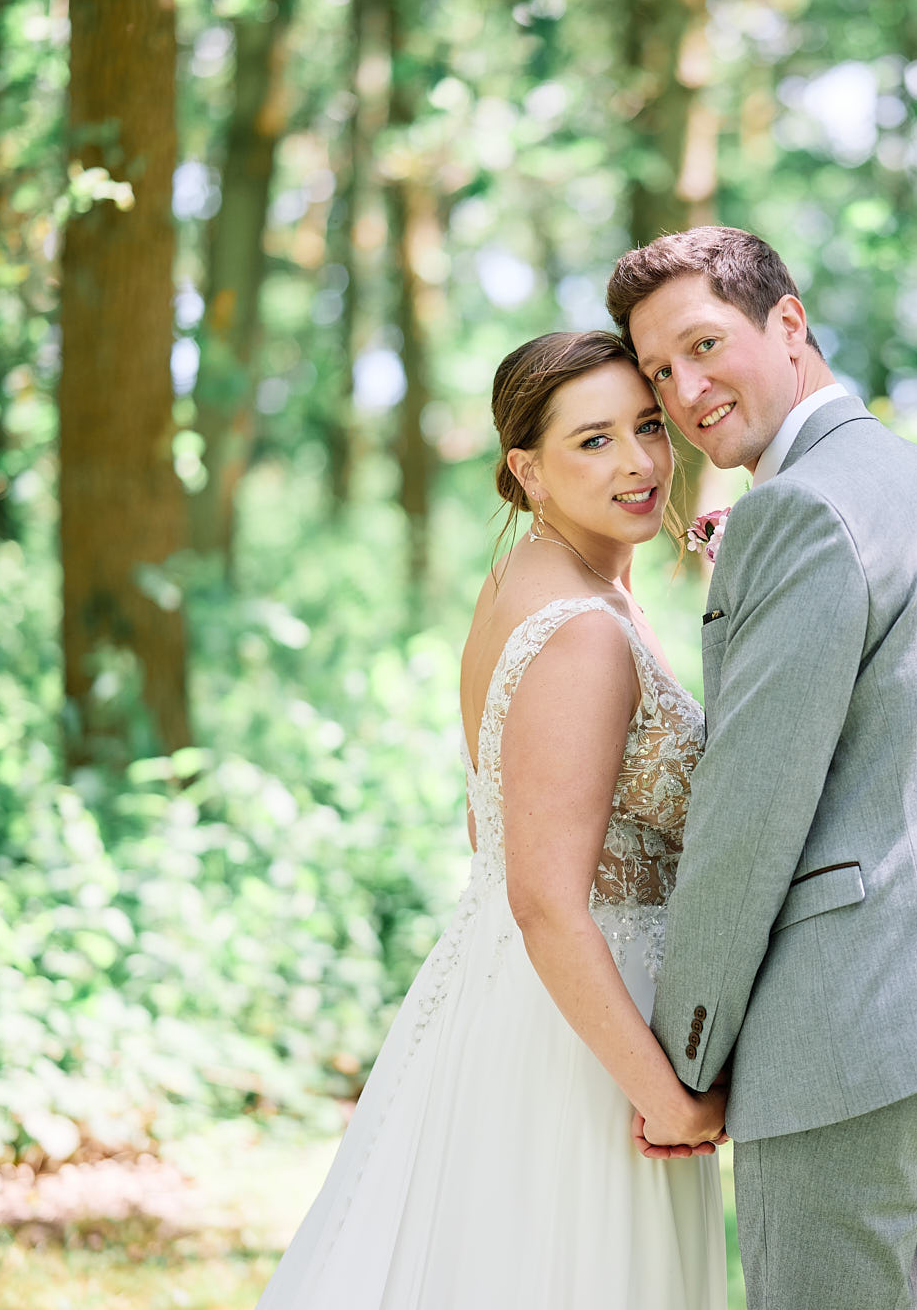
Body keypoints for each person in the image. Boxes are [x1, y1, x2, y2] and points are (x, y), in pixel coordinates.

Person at [608, 226, 917, 1310]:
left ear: (787, 322)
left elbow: (750, 813)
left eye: (704, 345)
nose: (684, 392)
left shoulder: (795, 510)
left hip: (851, 1035)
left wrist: (681, 1061)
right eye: (658, 371)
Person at [255, 330, 727, 1310]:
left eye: (647, 426)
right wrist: (666, 1098)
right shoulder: (582, 633)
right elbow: (544, 897)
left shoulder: (530, 581)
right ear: (527, 469)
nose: (639, 461)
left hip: (520, 996)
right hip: (584, 1038)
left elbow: (493, 829)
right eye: (593, 440)